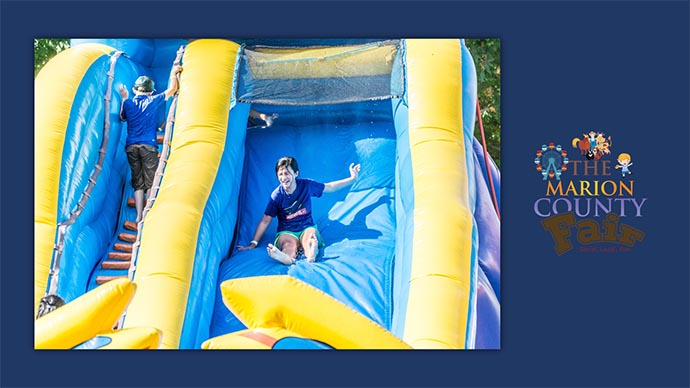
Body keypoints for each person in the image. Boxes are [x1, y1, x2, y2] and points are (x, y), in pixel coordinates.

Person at [237, 156, 361, 264]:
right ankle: (286, 257)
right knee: (288, 244)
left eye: (287, 173)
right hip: (287, 231)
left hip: (306, 227)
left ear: (296, 174)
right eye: (280, 174)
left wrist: (352, 179)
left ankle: (311, 253)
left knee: (310, 237)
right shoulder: (277, 196)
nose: (283, 177)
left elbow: (329, 187)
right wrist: (253, 243)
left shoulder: (306, 185)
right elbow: (265, 220)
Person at [118, 65, 183, 223]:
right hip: (148, 145)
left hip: (132, 146)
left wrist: (124, 97)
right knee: (151, 181)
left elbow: (122, 117)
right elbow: (173, 89)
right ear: (150, 91)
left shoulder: (129, 103)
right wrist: (173, 72)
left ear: (135, 91)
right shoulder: (153, 100)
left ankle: (139, 214)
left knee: (138, 182)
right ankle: (147, 215)